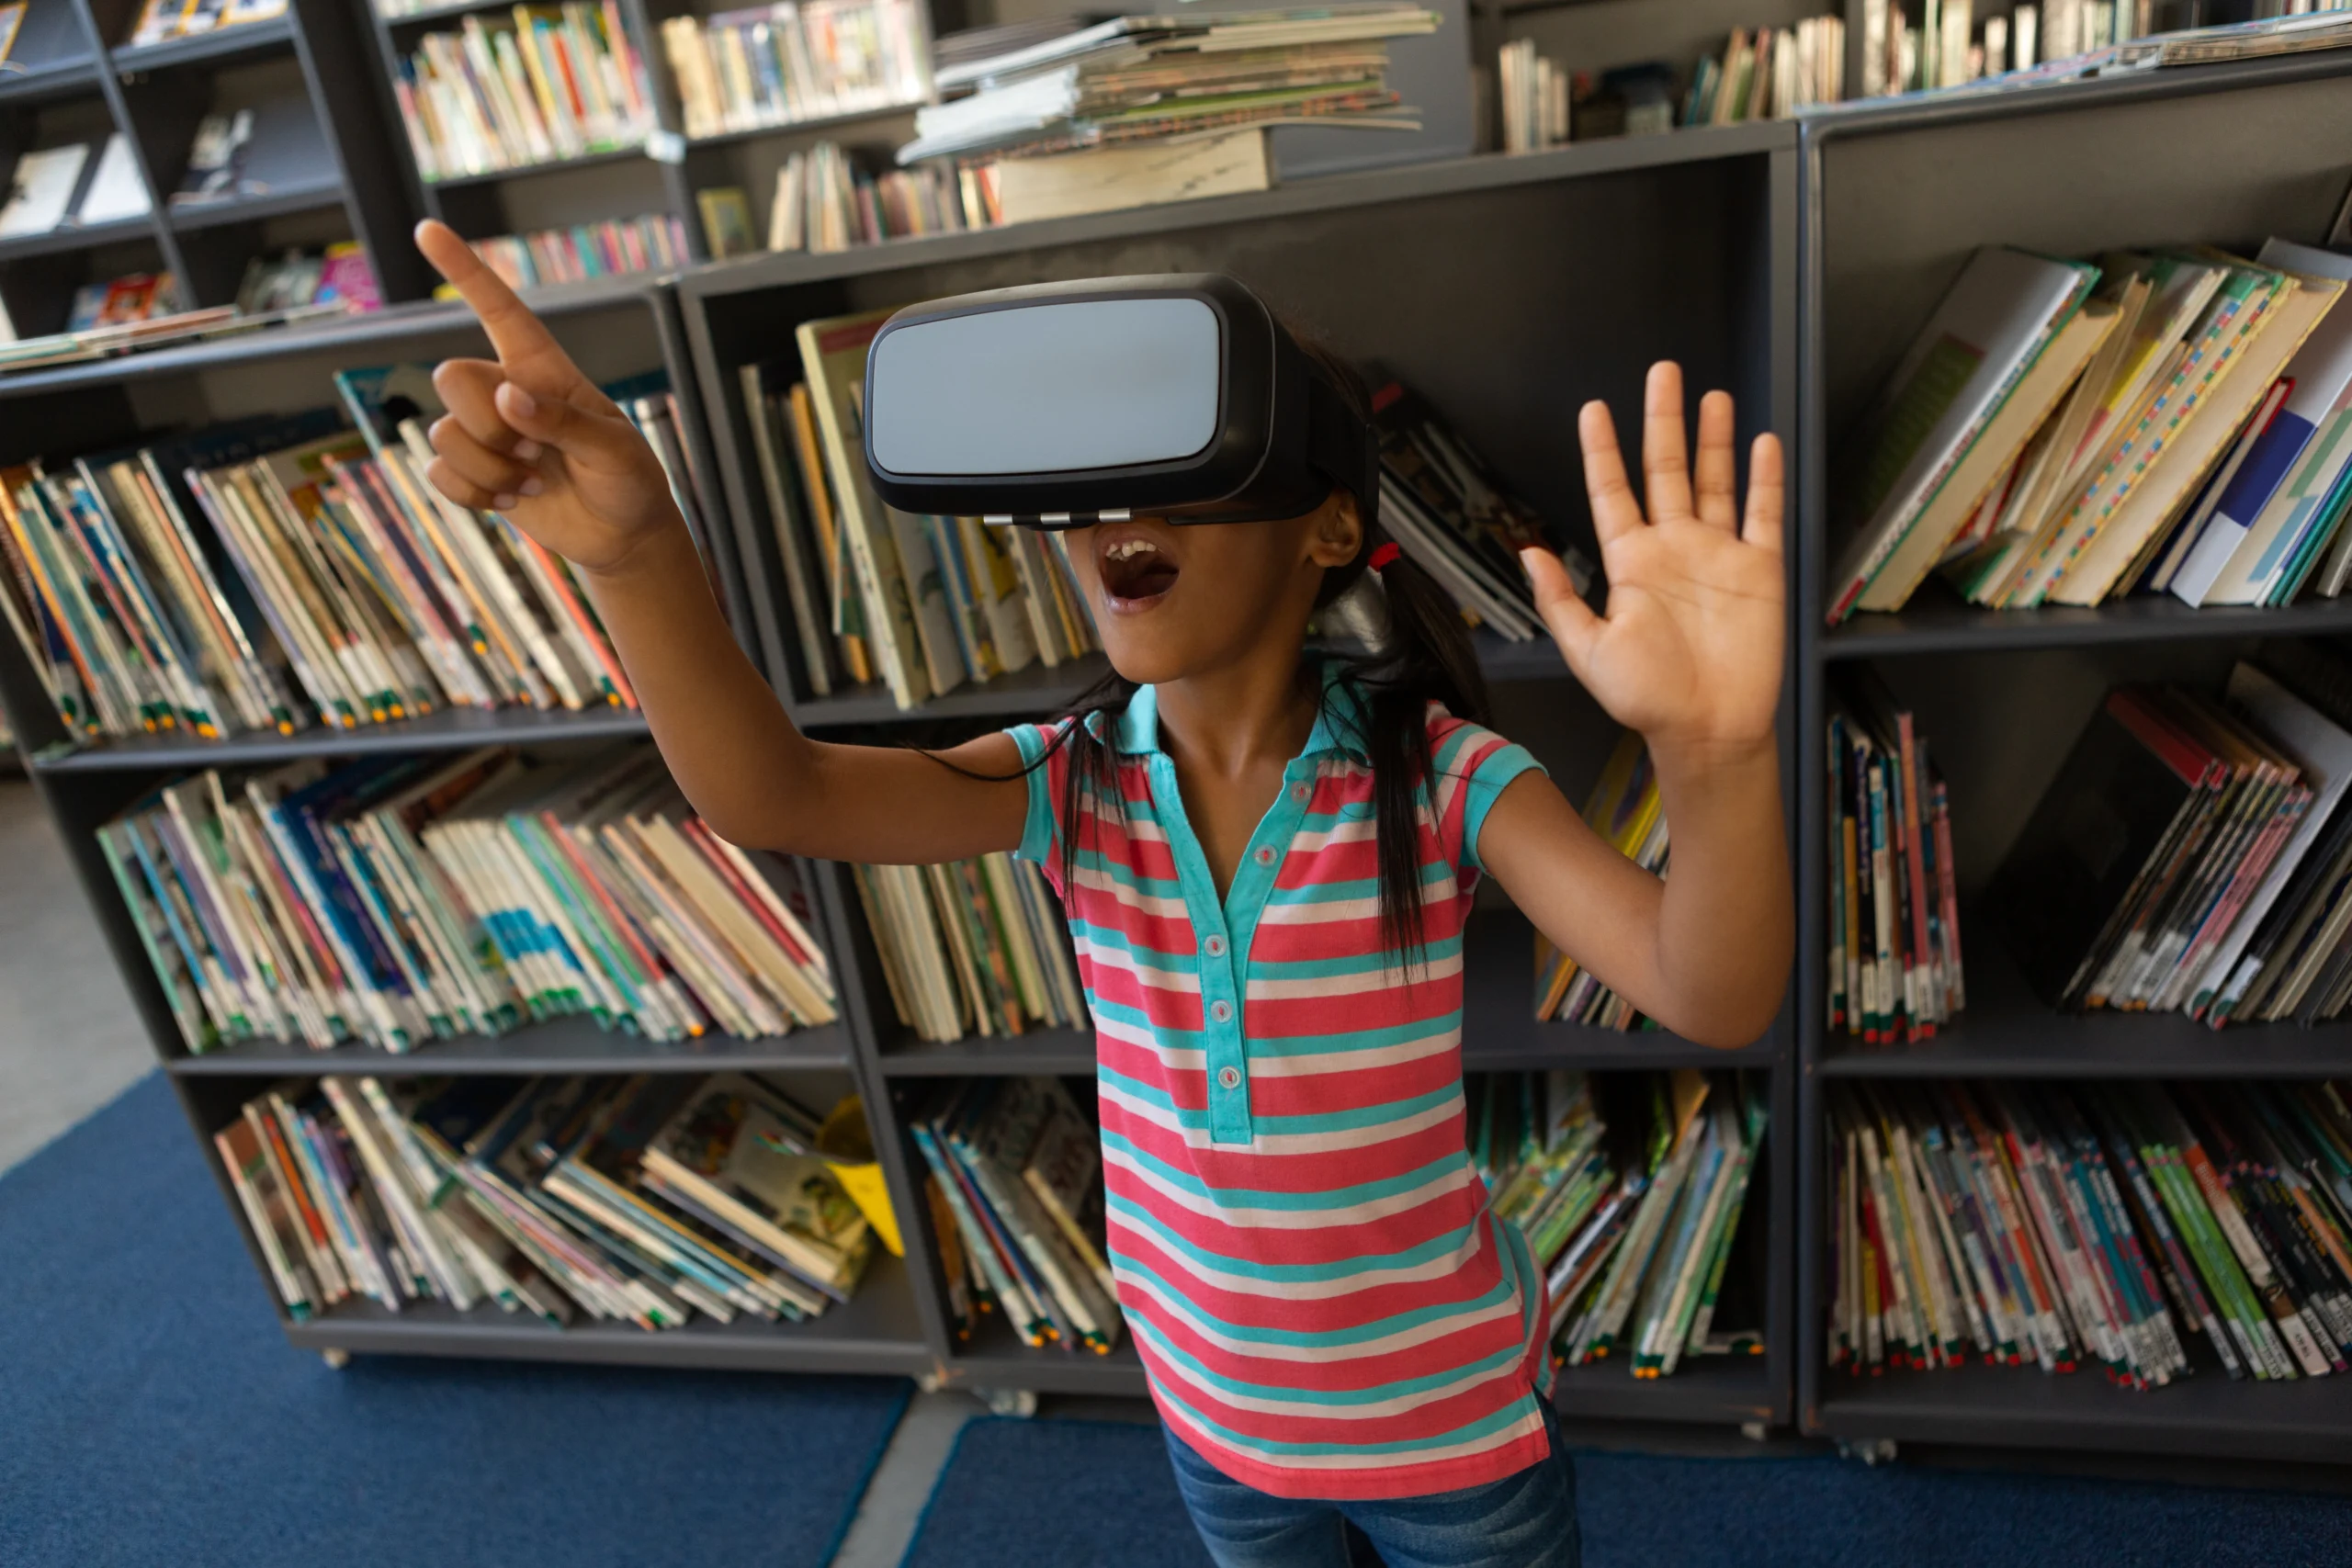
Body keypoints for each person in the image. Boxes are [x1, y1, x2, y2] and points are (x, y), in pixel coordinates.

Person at [411, 219, 1792, 1568]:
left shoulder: (1440, 776)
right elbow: (774, 792)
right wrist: (638, 552)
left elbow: (1708, 990)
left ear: (1326, 529)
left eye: (1178, 467)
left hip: (1451, 1434)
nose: (1109, 519)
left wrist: (1716, 756)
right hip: (1212, 1423)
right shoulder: (1070, 781)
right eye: (1081, 488)